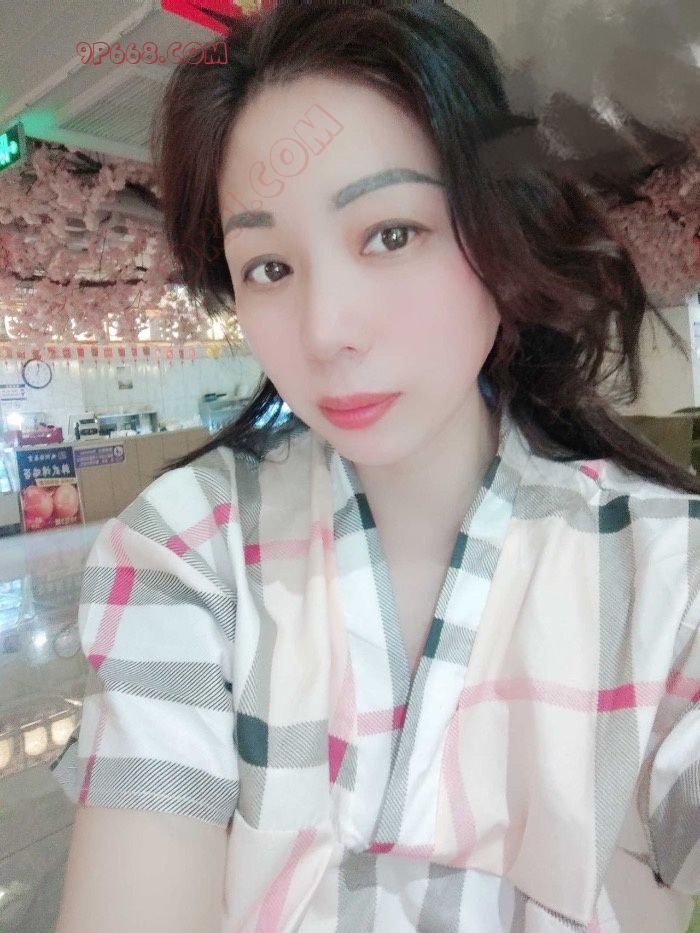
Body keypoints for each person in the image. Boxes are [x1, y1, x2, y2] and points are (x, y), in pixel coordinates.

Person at [51, 2, 700, 931]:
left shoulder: (668, 573)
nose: (327, 332)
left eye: (391, 234)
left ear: (500, 227)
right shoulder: (188, 549)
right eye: (269, 267)